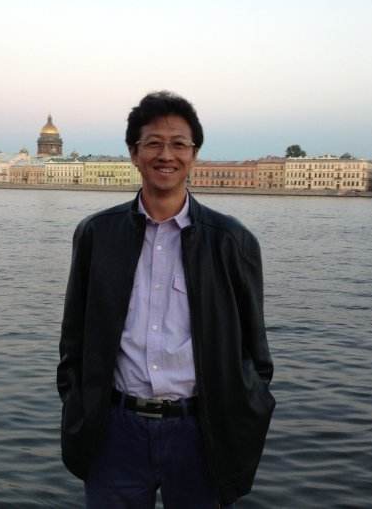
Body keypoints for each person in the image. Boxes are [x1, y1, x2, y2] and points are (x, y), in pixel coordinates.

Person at [57, 91, 274, 508]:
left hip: (201, 432)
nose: (166, 155)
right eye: (153, 143)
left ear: (194, 155)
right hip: (114, 430)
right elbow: (74, 337)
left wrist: (245, 407)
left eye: (179, 144)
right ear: (133, 154)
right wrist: (79, 403)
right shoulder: (97, 234)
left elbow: (256, 352)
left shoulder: (231, 241)